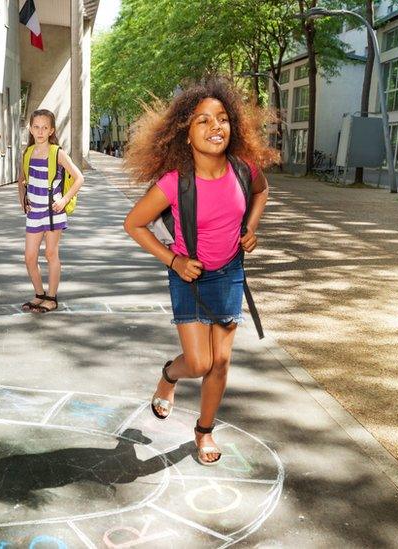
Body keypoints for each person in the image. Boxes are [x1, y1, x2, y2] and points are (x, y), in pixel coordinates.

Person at [122, 77, 274, 465]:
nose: (215, 127)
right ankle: (170, 376)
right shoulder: (175, 183)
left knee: (220, 363)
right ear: (185, 134)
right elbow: (134, 224)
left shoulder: (243, 170)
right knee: (200, 362)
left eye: (222, 119)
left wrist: (251, 228)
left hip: (228, 274)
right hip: (188, 276)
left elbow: (262, 191)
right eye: (203, 121)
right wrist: (173, 259)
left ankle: (203, 431)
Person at [17, 109, 84, 313]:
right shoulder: (28, 153)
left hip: (53, 211)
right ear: (30, 128)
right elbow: (21, 180)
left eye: (45, 127)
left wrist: (64, 200)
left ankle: (51, 297)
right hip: (34, 212)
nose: (40, 131)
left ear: (51, 130)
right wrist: (23, 200)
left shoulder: (57, 153)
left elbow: (79, 178)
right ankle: (39, 294)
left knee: (51, 254)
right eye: (36, 127)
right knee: (29, 257)